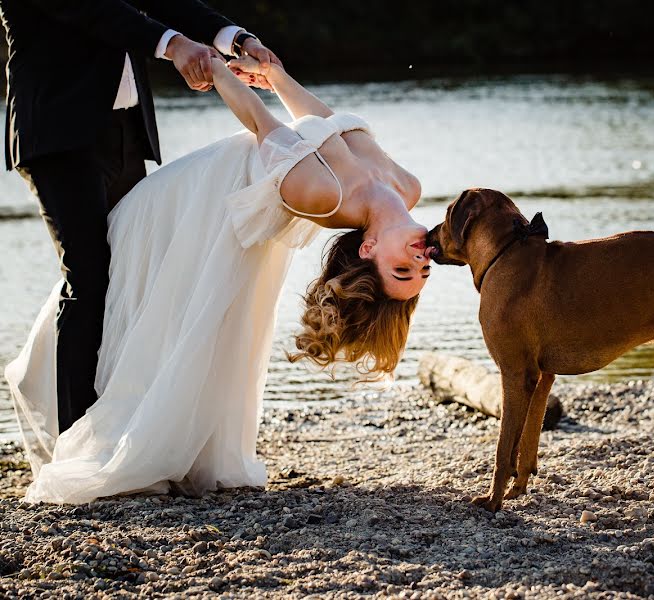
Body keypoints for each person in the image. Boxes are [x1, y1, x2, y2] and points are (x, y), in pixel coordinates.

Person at [5, 55, 433, 504]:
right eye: (420, 270)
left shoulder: (325, 196)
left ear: (368, 250)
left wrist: (215, 69)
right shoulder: (407, 186)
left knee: (158, 306)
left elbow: (261, 123)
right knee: (126, 291)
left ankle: (123, 430)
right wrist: (277, 77)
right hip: (204, 196)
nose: (419, 260)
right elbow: (327, 123)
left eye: (401, 270)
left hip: (198, 201)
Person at [0, 0, 281, 436]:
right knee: (90, 280)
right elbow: (94, 10)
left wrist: (236, 39)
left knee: (137, 273)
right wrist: (174, 46)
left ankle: (129, 425)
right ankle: (79, 441)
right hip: (58, 133)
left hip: (125, 132)